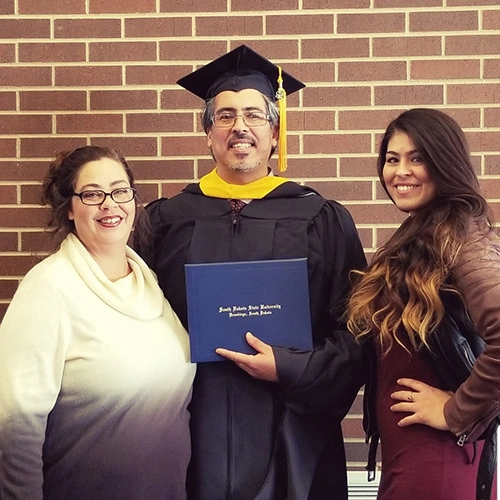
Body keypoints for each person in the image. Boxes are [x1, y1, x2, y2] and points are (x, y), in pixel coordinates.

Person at [137, 45, 367, 499]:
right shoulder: (165, 220)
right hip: (189, 426)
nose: (239, 127)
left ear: (276, 131)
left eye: (254, 115)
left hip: (289, 427)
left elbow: (357, 330)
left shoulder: (320, 218)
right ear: (207, 133)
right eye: (224, 116)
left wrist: (292, 368)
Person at [0, 146, 196, 499]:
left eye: (120, 191)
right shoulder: (49, 289)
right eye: (92, 194)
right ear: (70, 209)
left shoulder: (148, 281)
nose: (110, 204)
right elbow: (15, 426)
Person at [346, 108, 500, 499]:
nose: (400, 171)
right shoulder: (424, 232)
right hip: (412, 459)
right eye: (392, 159)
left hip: (438, 463)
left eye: (417, 158)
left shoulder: (462, 235)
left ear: (445, 163)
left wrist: (455, 411)